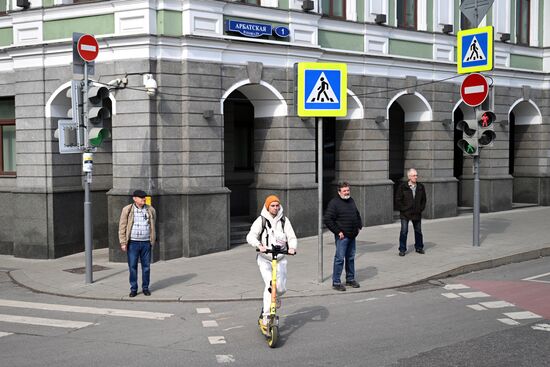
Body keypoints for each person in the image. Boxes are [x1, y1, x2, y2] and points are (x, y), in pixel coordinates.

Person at [246, 195, 297, 329]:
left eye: (277, 205)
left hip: (280, 258)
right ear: (267, 206)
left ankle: (276, 297)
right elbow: (250, 236)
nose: (275, 208)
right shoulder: (261, 220)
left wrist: (292, 247)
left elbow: (291, 237)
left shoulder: (284, 221)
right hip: (265, 259)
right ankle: (266, 316)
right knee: (270, 286)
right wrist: (258, 245)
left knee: (281, 288)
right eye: (272, 205)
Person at [324, 182, 363, 291]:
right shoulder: (334, 203)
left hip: (352, 235)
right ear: (339, 192)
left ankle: (350, 279)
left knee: (350, 258)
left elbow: (357, 214)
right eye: (344, 191)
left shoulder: (351, 200)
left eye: (348, 190)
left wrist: (359, 226)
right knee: (339, 259)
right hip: (342, 237)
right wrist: (338, 232)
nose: (347, 192)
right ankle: (336, 282)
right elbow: (328, 219)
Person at [118, 189, 157, 297]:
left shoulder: (150, 210)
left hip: (146, 243)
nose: (143, 199)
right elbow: (122, 226)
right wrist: (123, 242)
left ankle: (145, 288)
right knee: (132, 267)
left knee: (146, 267)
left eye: (144, 197)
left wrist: (152, 240)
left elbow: (153, 224)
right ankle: (134, 289)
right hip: (133, 243)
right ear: (135, 198)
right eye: (141, 197)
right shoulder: (127, 209)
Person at [394, 168, 426, 257]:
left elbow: (424, 200)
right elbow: (398, 199)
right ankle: (402, 249)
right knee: (404, 231)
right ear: (409, 176)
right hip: (405, 213)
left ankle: (419, 247)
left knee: (418, 231)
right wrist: (403, 209)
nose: (416, 177)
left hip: (416, 213)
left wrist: (420, 209)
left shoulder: (420, 187)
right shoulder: (402, 186)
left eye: (416, 175)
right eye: (414, 175)